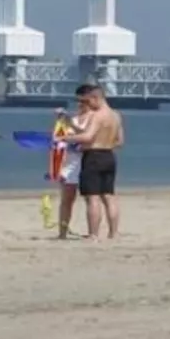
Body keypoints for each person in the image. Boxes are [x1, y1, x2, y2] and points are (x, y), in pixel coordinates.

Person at [65, 84, 124, 240]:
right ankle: (114, 232)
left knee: (93, 197)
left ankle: (94, 233)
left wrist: (65, 138)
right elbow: (120, 141)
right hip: (109, 155)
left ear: (95, 98)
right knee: (109, 196)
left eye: (87, 101)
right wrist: (72, 126)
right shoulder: (116, 115)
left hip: (94, 156)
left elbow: (87, 137)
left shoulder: (98, 115)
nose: (87, 105)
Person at [53, 88, 92, 240]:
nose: (80, 105)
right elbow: (59, 139)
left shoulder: (93, 119)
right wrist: (60, 121)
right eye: (79, 102)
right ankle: (62, 231)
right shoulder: (73, 119)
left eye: (84, 102)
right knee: (67, 199)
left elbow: (87, 135)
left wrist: (71, 128)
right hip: (70, 163)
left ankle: (92, 231)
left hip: (87, 161)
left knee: (90, 198)